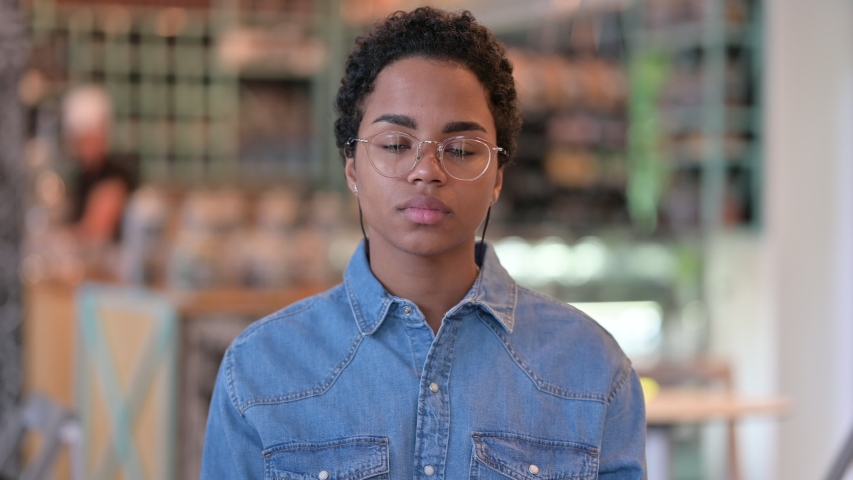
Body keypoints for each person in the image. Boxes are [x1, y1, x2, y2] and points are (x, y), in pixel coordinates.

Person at [202, 7, 645, 479]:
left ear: (498, 175)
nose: (427, 170)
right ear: (351, 166)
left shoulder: (591, 371)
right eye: (396, 144)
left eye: (459, 149)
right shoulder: (262, 369)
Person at [62, 85, 136, 244]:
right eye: (81, 140)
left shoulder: (115, 178)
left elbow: (96, 232)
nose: (85, 147)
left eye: (90, 138)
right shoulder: (81, 178)